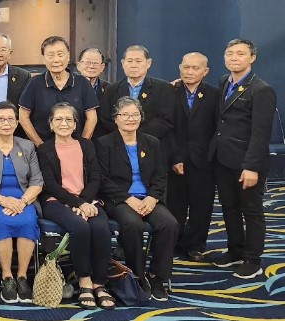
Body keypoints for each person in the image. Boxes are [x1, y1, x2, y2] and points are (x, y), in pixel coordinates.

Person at [96, 97, 178, 301]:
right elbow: (103, 180)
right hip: (120, 200)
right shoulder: (104, 143)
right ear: (116, 119)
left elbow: (161, 175)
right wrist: (127, 198)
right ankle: (137, 274)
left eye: (135, 114)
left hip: (148, 197)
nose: (130, 119)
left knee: (169, 224)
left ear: (141, 117)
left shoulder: (152, 142)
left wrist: (152, 197)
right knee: (133, 225)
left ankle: (157, 276)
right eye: (125, 115)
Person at [209, 39, 277, 279]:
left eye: (240, 54)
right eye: (230, 54)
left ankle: (252, 259)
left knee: (252, 211)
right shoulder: (223, 82)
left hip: (247, 163)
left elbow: (260, 133)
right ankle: (235, 251)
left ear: (252, 58)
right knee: (229, 208)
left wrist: (251, 166)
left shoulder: (261, 90)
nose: (234, 58)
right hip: (223, 159)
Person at [36, 102, 113, 309]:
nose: (64, 123)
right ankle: (84, 280)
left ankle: (100, 283)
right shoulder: (44, 149)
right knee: (80, 227)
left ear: (75, 124)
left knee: (101, 228)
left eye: (69, 119)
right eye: (58, 119)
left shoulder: (87, 145)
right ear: (51, 124)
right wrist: (77, 203)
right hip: (56, 202)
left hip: (87, 200)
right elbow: (50, 185)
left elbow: (95, 178)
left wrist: (85, 202)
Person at [0, 101, 43, 304]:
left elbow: (37, 181)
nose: (6, 123)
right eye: (1, 119)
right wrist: (4, 200)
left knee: (27, 221)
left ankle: (22, 277)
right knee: (2, 221)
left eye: (11, 119)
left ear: (17, 122)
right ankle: (7, 277)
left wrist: (22, 202)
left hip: (23, 198)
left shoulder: (27, 145)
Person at [167, 52, 219, 262]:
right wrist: (175, 157)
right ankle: (174, 242)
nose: (189, 72)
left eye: (195, 68)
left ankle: (196, 245)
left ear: (205, 72)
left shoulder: (215, 95)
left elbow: (218, 128)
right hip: (174, 158)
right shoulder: (169, 91)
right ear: (180, 68)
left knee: (201, 205)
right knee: (174, 205)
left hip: (204, 160)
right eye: (186, 67)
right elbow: (167, 127)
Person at [19, 36, 99, 145]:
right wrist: (40, 146)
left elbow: (92, 118)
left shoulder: (83, 83)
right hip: (43, 150)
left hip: (76, 149)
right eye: (50, 55)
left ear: (68, 56)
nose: (56, 60)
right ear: (43, 58)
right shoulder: (34, 83)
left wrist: (83, 145)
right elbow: (23, 117)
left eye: (60, 55)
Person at [97, 45, 177, 141]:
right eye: (129, 61)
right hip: (118, 145)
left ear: (148, 63)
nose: (133, 65)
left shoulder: (164, 88)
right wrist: (125, 135)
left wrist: (136, 136)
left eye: (138, 61)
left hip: (152, 145)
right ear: (123, 63)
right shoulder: (111, 90)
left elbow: (166, 120)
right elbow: (106, 120)